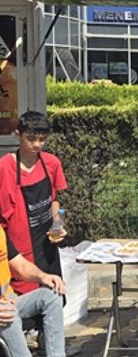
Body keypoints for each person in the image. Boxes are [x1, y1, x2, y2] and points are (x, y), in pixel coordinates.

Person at [0, 112, 67, 296]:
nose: (37, 144)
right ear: (17, 135)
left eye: (42, 139)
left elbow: (55, 200)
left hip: (47, 249)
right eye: (31, 138)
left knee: (52, 301)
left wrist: (58, 224)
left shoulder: (52, 163)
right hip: (19, 255)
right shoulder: (4, 168)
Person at [0, 224, 66, 357]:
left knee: (52, 295)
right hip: (5, 310)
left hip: (9, 299)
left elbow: (20, 265)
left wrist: (44, 276)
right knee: (9, 314)